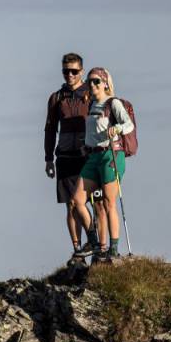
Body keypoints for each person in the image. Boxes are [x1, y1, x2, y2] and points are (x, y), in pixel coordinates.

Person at [44, 53, 104, 260]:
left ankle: (100, 248)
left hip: (88, 155)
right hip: (64, 157)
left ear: (81, 71)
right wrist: (48, 159)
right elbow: (50, 129)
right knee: (71, 205)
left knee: (97, 203)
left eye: (74, 71)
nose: (69, 75)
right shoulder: (56, 97)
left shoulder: (91, 93)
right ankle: (78, 251)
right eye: (65, 71)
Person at [70, 67, 133, 263]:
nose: (93, 85)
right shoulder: (91, 105)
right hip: (93, 156)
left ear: (106, 83)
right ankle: (95, 242)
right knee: (76, 201)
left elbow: (128, 124)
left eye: (97, 81)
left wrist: (118, 128)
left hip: (111, 155)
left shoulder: (113, 103)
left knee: (108, 202)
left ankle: (113, 249)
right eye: (90, 81)